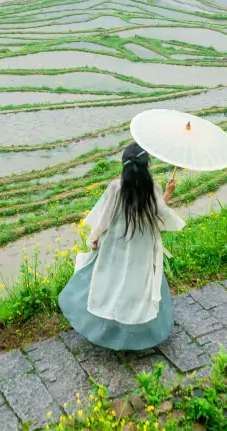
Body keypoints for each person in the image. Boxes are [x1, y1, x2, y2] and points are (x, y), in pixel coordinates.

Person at [58, 142, 185, 351]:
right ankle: (137, 327)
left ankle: (107, 327)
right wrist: (168, 193)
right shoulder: (152, 187)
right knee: (136, 285)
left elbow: (104, 220)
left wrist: (94, 238)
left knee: (110, 283)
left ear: (124, 165)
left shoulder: (116, 187)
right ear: (147, 166)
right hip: (141, 248)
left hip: (115, 247)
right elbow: (159, 216)